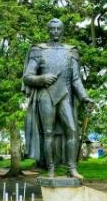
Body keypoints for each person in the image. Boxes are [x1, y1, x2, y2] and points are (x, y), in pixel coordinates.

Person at [22, 18, 91, 179]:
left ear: (62, 30)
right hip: (46, 94)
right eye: (52, 29)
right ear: (48, 30)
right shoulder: (39, 50)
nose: (55, 32)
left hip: (65, 94)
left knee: (72, 130)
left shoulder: (70, 52)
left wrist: (85, 97)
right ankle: (51, 169)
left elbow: (76, 79)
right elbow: (27, 76)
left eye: (58, 29)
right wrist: (42, 78)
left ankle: (71, 169)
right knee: (48, 133)